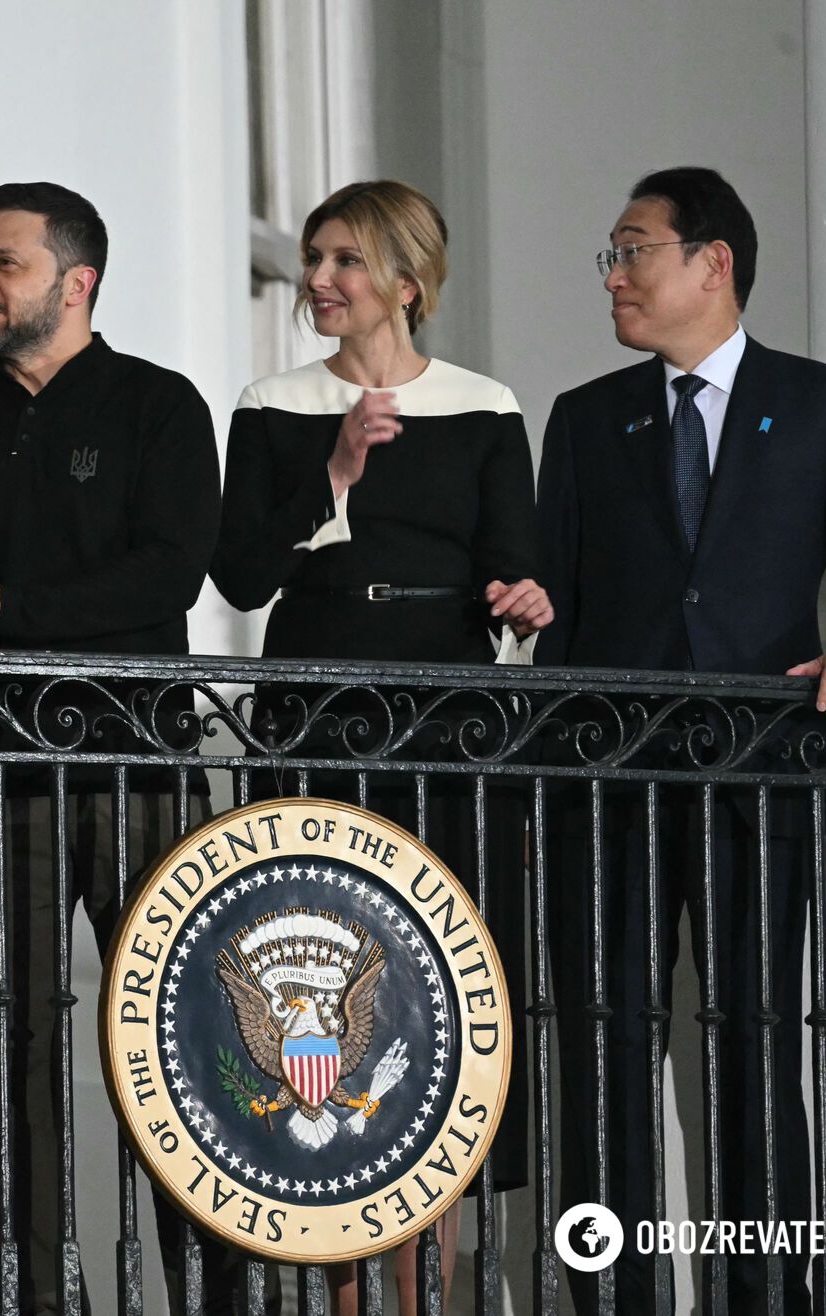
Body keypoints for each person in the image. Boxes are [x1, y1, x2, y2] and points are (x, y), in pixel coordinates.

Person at [534, 166, 826, 1313]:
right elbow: (555, 617)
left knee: (755, 1050)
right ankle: (606, 1295)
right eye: (608, 253)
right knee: (603, 1059)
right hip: (610, 790)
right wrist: (544, 789)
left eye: (631, 249)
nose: (613, 274)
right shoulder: (582, 416)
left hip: (759, 776)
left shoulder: (822, 403)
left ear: (712, 263)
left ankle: (770, 1295)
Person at [0, 182, 234, 1316]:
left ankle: (209, 1291)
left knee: (175, 1040)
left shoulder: (158, 406)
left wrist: (2, 606)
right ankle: (38, 1296)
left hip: (140, 766)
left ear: (75, 282)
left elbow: (168, 572)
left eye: (4, 266)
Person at [209, 179, 548, 1316]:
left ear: (406, 282)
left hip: (446, 729)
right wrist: (335, 473)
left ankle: (424, 1283)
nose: (319, 279)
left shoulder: (487, 404)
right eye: (313, 257)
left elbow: (512, 567)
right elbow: (240, 575)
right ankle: (338, 1284)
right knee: (313, 993)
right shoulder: (270, 401)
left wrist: (525, 595)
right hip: (311, 719)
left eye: (345, 260)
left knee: (431, 1002)